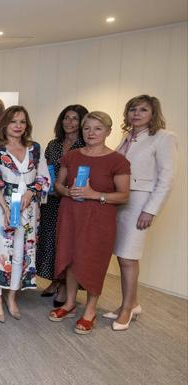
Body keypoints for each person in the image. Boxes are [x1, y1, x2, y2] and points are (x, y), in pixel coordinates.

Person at [49, 111, 130, 335]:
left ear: (108, 131)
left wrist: (95, 194)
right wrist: (67, 190)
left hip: (99, 219)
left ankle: (90, 311)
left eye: (97, 128)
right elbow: (58, 185)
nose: (91, 133)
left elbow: (124, 195)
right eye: (87, 128)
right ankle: (70, 303)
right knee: (71, 259)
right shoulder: (72, 156)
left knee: (93, 261)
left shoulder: (118, 160)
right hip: (71, 214)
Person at [104, 95, 177, 330]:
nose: (136, 113)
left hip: (139, 203)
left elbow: (166, 179)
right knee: (122, 255)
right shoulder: (128, 137)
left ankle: (127, 308)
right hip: (119, 200)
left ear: (153, 114)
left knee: (128, 256)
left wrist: (150, 210)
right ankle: (131, 303)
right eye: (132, 109)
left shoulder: (164, 138)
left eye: (143, 110)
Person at [0, 105, 50, 323]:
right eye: (13, 121)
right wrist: (6, 206)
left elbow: (44, 178)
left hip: (28, 208)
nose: (18, 126)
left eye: (22, 121)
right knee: (0, 250)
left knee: (22, 251)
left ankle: (12, 296)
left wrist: (31, 193)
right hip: (2, 207)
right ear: (5, 124)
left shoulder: (35, 148)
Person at [36, 105, 88, 307]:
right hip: (51, 199)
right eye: (66, 118)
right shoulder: (54, 144)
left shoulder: (86, 145)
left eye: (75, 119)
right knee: (50, 241)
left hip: (74, 199)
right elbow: (46, 169)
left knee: (68, 244)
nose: (70, 122)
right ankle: (55, 280)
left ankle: (66, 285)